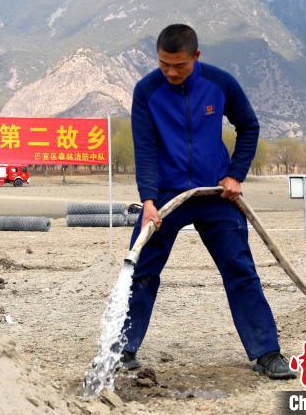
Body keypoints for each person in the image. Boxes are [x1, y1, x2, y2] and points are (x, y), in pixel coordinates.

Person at [121, 24, 295, 379]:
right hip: (166, 198)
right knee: (140, 271)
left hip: (216, 194)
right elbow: (146, 148)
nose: (170, 72)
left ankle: (267, 352)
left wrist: (235, 175)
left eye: (179, 66)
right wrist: (149, 200)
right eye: (163, 64)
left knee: (240, 270)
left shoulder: (220, 83)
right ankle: (122, 349)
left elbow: (249, 126)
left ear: (196, 57)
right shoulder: (147, 91)